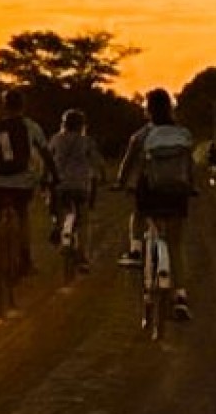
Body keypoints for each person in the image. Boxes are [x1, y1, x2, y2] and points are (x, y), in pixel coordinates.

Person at [114, 88, 196, 320]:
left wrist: (120, 182)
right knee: (176, 245)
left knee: (139, 214)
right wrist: (192, 186)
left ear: (147, 110)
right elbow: (190, 166)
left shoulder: (141, 136)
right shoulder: (183, 134)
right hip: (177, 195)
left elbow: (127, 164)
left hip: (151, 194)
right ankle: (180, 296)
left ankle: (136, 251)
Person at [0, 89, 58, 280]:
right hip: (21, 182)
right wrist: (54, 176)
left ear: (4, 105)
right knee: (23, 215)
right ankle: (26, 260)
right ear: (22, 106)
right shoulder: (31, 127)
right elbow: (45, 154)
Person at [46, 108, 107, 271]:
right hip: (80, 185)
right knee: (83, 219)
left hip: (59, 183)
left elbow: (48, 158)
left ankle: (57, 226)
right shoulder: (86, 141)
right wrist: (103, 176)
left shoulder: (55, 139)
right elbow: (98, 162)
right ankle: (82, 256)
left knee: (56, 206)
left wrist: (45, 177)